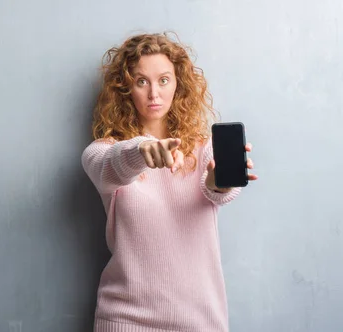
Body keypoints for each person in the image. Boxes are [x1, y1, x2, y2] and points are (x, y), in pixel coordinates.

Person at [81, 32, 258, 332]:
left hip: (201, 321)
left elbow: (217, 189)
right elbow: (111, 166)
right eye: (141, 81)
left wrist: (219, 183)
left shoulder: (204, 149)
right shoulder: (103, 151)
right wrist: (142, 150)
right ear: (125, 88)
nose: (154, 94)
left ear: (178, 83)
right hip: (126, 320)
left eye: (163, 80)